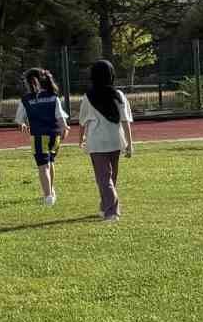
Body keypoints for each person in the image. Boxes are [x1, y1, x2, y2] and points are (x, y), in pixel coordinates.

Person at [76, 58, 134, 221]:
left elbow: (82, 122)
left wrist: (80, 139)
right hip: (116, 141)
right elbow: (125, 121)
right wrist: (130, 143)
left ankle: (111, 211)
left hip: (97, 143)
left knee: (104, 177)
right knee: (111, 176)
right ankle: (105, 205)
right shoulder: (119, 95)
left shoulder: (88, 97)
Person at [15, 68, 68, 206]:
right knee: (50, 162)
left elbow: (19, 119)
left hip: (39, 136)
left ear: (31, 82)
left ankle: (48, 196)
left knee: (42, 166)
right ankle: (51, 190)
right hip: (54, 135)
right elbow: (60, 116)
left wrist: (22, 124)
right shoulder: (53, 96)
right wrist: (64, 128)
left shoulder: (26, 99)